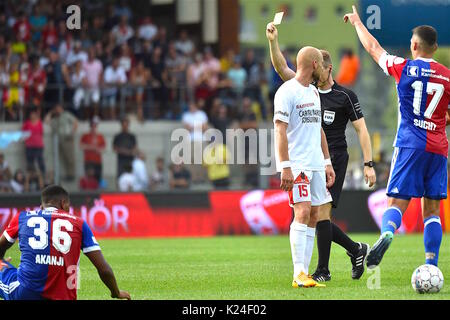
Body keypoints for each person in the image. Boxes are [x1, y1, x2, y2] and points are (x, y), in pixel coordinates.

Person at [267, 21, 376, 282]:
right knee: (310, 213)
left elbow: (351, 130)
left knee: (318, 213)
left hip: (331, 159)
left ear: (328, 69)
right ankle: (318, 268)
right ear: (317, 66)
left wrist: (364, 162)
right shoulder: (295, 89)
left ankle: (325, 265)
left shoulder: (341, 95)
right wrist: (273, 41)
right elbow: (282, 68)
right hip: (303, 161)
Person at [344, 6, 450, 268]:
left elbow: (373, 48)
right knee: (432, 211)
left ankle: (388, 232)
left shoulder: (402, 67)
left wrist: (358, 22)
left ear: (414, 45)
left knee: (396, 202)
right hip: (438, 147)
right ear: (435, 48)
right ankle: (431, 264)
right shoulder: (447, 76)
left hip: (410, 144)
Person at [273, 45, 335, 288]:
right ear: (315, 65)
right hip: (297, 164)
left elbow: (318, 129)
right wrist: (285, 166)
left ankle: (305, 274)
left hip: (316, 164)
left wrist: (327, 162)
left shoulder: (313, 92)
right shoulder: (286, 92)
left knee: (314, 215)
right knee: (302, 211)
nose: (325, 71)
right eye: (322, 64)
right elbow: (279, 129)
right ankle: (298, 273)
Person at [0, 185, 130, 300]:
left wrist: (2, 261)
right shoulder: (79, 224)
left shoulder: (22, 217)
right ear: (64, 203)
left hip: (26, 293)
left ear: (41, 207)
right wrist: (116, 292)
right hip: (65, 296)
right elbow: (104, 269)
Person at [44, 104, 78, 181]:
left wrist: (72, 133)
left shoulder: (66, 115)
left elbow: (75, 122)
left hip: (66, 137)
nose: (57, 110)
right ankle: (58, 175)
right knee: (59, 157)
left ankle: (71, 175)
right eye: (56, 109)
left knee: (69, 157)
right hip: (57, 140)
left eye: (58, 109)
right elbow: (46, 121)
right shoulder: (54, 118)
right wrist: (51, 112)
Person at [80, 116, 105, 183]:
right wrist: (92, 148)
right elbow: (81, 146)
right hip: (88, 161)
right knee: (89, 180)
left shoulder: (100, 136)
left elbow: (103, 148)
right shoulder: (85, 136)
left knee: (97, 179)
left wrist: (98, 150)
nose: (94, 127)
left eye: (95, 125)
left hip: (97, 161)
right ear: (90, 126)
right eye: (92, 125)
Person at [22, 108, 45, 174]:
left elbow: (41, 132)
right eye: (31, 114)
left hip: (38, 145)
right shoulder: (27, 123)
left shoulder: (39, 122)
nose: (32, 116)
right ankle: (32, 176)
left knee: (40, 160)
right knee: (30, 162)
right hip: (29, 146)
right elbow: (23, 133)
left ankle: (43, 174)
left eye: (34, 114)